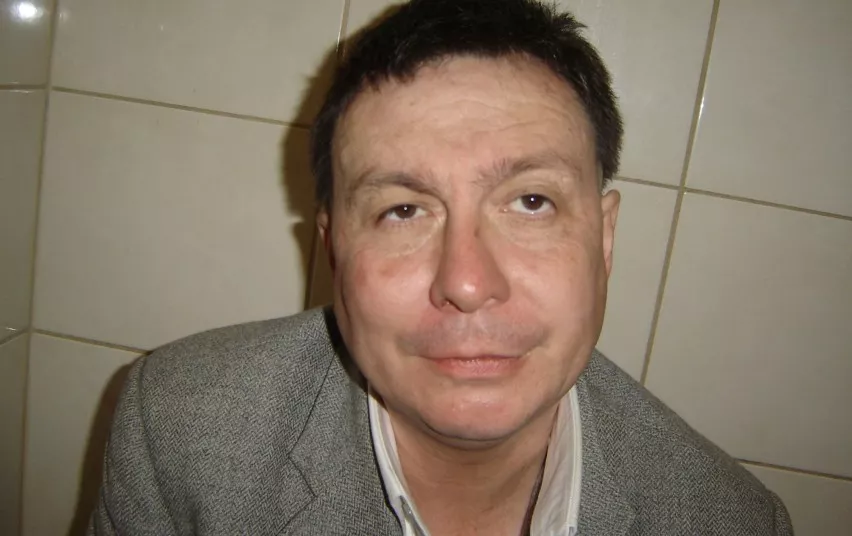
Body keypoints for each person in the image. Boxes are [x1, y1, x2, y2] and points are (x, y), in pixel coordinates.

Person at [89, 0, 793, 534]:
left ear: (604, 239)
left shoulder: (731, 522)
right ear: (333, 249)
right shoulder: (180, 430)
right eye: (403, 210)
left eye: (531, 201)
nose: (466, 282)